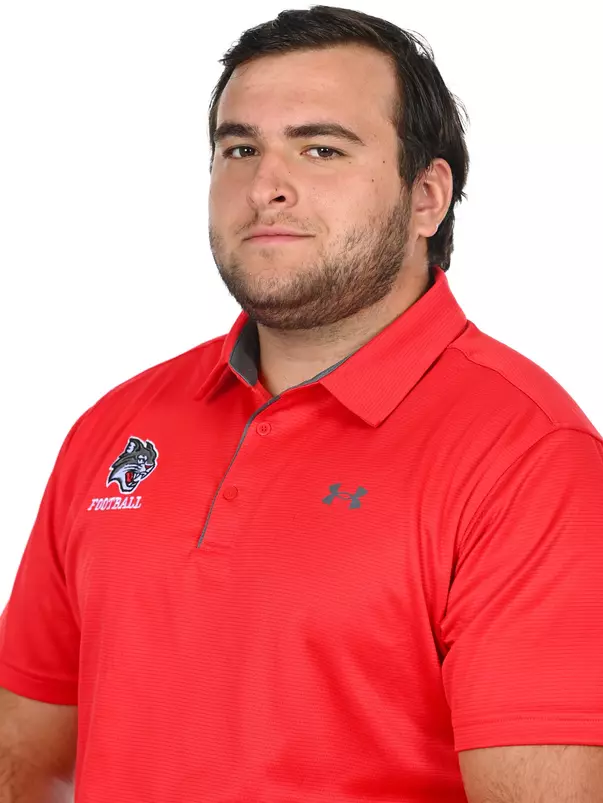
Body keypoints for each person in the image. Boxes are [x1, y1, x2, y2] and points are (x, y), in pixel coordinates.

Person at [1, 5, 602, 801]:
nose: (265, 187)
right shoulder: (118, 427)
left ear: (426, 197)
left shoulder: (528, 457)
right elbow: (26, 757)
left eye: (321, 149)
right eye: (239, 148)